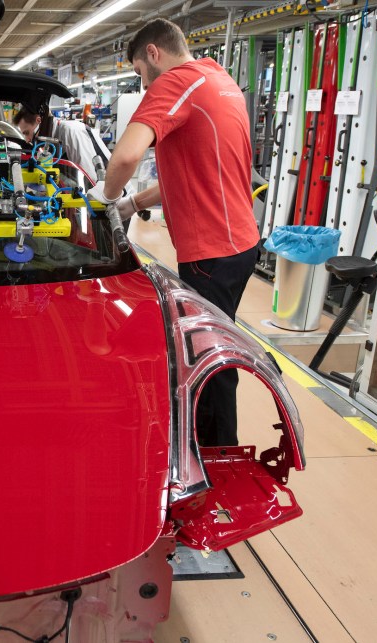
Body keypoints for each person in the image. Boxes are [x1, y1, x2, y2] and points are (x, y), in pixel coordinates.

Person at [88, 18, 260, 447]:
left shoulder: (176, 81)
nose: (143, 85)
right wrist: (131, 204)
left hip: (211, 251)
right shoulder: (216, 79)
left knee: (208, 358)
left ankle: (215, 456)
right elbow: (189, 175)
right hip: (240, 243)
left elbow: (126, 156)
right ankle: (205, 440)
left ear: (152, 53)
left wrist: (105, 198)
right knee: (211, 346)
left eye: (139, 73)